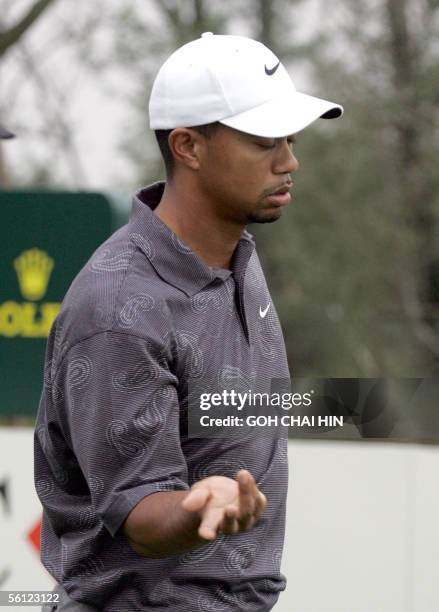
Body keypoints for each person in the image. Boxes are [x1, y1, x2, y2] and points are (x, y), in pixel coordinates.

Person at [34, 33, 342, 612]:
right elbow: (142, 514)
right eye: (263, 141)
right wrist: (198, 507)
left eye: (291, 138)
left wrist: (352, 406)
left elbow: (217, 408)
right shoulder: (118, 307)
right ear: (188, 147)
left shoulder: (239, 260)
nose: (289, 160)